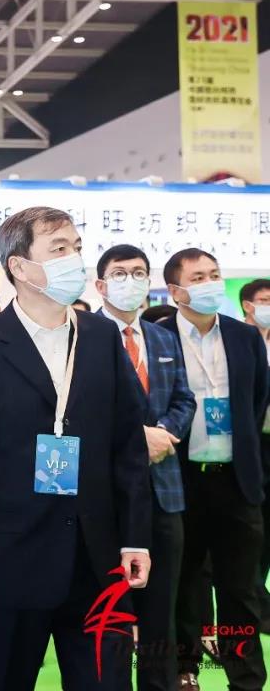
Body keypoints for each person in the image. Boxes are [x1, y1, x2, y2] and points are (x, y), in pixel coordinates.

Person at [0, 206, 151, 691]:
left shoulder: (100, 336)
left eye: (76, 247)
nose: (74, 258)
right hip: (6, 561)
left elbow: (128, 448)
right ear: (19, 266)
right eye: (58, 249)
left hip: (96, 558)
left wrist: (135, 537)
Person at [161, 250, 268, 691]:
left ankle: (245, 678)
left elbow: (257, 399)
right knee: (183, 582)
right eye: (198, 277)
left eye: (214, 274)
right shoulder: (160, 336)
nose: (210, 283)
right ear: (176, 291)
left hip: (236, 480)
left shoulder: (244, 337)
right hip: (180, 479)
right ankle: (184, 670)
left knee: (240, 588)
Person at [95, 245, 197, 691]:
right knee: (111, 610)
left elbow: (184, 400)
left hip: (163, 489)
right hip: (106, 496)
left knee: (161, 609)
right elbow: (82, 412)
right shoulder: (85, 336)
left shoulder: (162, 337)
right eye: (120, 273)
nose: (130, 281)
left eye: (139, 272)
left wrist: (162, 434)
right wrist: (138, 438)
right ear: (100, 285)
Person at [238, 279, 270, 633]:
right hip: (250, 444)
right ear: (248, 305)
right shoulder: (239, 341)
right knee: (250, 529)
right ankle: (256, 601)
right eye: (265, 300)